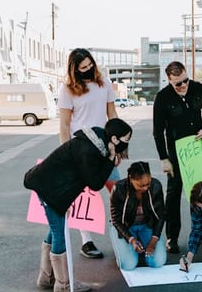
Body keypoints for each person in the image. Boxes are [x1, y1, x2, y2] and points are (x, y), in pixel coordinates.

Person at [24, 118, 132, 292]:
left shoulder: (96, 141)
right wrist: (111, 159)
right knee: (59, 233)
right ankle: (64, 284)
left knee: (55, 229)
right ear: (114, 139)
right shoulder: (89, 150)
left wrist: (109, 158)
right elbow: (95, 183)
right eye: (126, 140)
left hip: (51, 186)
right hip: (49, 188)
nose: (127, 144)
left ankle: (46, 278)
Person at [58, 47, 119, 259]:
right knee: (83, 196)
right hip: (80, 148)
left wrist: (117, 145)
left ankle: (122, 233)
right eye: (83, 67)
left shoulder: (104, 84)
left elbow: (112, 115)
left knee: (117, 190)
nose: (88, 69)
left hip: (104, 146)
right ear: (75, 70)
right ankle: (87, 241)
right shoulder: (67, 90)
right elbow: (64, 125)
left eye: (90, 65)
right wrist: (66, 153)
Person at [152, 61, 202, 253]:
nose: (183, 86)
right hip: (176, 153)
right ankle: (172, 237)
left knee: (200, 192)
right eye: (178, 83)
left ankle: (201, 232)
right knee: (173, 195)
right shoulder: (163, 97)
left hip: (199, 149)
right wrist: (164, 158)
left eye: (185, 81)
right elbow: (158, 131)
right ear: (169, 81)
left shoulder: (197, 88)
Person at [109, 161, 167, 270]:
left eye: (148, 184)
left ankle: (139, 248)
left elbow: (161, 215)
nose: (145, 188)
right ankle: (126, 249)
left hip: (146, 224)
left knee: (157, 262)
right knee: (128, 265)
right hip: (125, 226)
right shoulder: (119, 189)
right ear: (131, 179)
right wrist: (130, 239)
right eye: (141, 185)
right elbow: (116, 220)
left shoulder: (156, 186)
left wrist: (154, 239)